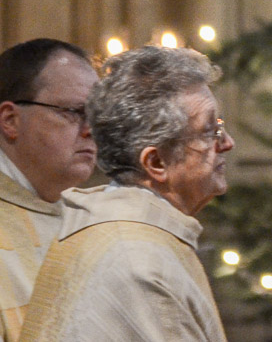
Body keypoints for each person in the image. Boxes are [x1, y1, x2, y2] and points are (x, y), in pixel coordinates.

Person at [20, 46, 233, 342]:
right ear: (156, 163)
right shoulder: (139, 262)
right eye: (210, 132)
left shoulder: (127, 234)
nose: (227, 143)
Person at [0, 38, 98, 340]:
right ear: (10, 120)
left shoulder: (91, 220)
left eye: (97, 114)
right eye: (72, 111)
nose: (91, 129)